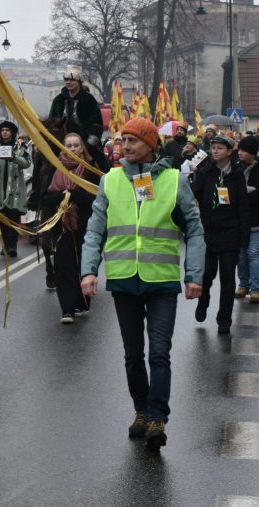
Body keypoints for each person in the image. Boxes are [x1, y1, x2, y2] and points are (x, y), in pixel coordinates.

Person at [80, 117, 205, 451]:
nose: (125, 146)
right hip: (124, 280)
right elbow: (95, 230)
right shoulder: (111, 180)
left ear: (151, 145)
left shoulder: (174, 180)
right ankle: (140, 409)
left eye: (132, 140)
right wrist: (88, 271)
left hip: (162, 280)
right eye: (123, 140)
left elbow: (194, 229)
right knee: (133, 355)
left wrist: (194, 276)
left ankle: (157, 418)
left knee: (160, 353)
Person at [191, 135, 249, 334]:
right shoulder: (206, 171)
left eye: (219, 148)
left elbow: (243, 206)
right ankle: (203, 302)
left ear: (229, 152)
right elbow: (194, 195)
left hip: (230, 233)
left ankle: (224, 318)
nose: (215, 151)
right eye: (213, 148)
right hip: (208, 232)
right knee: (206, 275)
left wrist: (243, 237)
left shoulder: (237, 174)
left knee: (227, 279)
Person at [43, 132, 102, 324]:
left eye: (76, 145)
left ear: (82, 147)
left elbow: (97, 197)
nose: (73, 149)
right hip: (61, 225)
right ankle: (66, 308)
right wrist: (62, 196)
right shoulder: (55, 167)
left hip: (86, 224)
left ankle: (81, 301)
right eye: (69, 145)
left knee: (82, 263)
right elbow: (46, 197)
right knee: (63, 264)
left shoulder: (90, 169)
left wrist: (75, 195)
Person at [48, 65, 108, 169]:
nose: (68, 82)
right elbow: (51, 122)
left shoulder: (89, 100)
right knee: (42, 164)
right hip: (61, 143)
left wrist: (88, 145)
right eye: (66, 79)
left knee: (103, 164)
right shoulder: (58, 100)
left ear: (79, 81)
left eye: (72, 79)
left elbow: (97, 125)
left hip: (85, 142)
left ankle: (105, 183)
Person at [235, 136, 259, 303]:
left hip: (257, 219)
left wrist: (242, 195)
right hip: (239, 219)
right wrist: (247, 192)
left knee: (254, 253)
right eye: (239, 150)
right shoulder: (235, 169)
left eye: (244, 151)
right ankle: (243, 285)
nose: (240, 153)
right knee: (241, 255)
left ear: (252, 153)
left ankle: (256, 289)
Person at [0, 120, 29, 259]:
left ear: (12, 132)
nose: (4, 132)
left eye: (7, 130)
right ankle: (4, 245)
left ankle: (12, 246)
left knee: (13, 218)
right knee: (2, 218)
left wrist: (14, 158)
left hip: (14, 190)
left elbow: (27, 163)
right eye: (2, 130)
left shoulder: (19, 146)